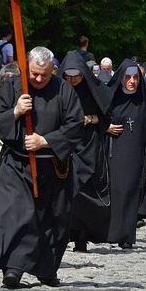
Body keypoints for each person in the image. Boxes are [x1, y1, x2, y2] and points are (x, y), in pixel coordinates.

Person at [0, 46, 84, 287]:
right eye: (34, 74)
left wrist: (46, 141)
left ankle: (47, 269)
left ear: (53, 69)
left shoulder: (64, 90)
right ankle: (13, 268)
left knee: (54, 220)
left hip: (52, 165)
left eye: (44, 74)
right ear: (26, 67)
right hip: (16, 165)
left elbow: (75, 126)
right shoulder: (12, 87)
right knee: (16, 216)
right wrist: (16, 112)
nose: (39, 79)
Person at [55, 51, 113, 252]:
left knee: (85, 191)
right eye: (68, 78)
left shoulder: (93, 90)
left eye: (77, 77)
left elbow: (107, 116)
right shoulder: (57, 90)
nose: (72, 81)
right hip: (64, 145)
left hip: (88, 144)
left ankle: (82, 235)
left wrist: (90, 119)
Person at [104, 60, 146, 249]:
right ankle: (112, 232)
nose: (132, 82)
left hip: (136, 153)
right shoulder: (111, 98)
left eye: (135, 77)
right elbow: (99, 119)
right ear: (121, 78)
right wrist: (107, 127)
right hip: (115, 152)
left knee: (131, 192)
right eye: (128, 78)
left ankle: (127, 236)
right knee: (116, 191)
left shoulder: (143, 100)